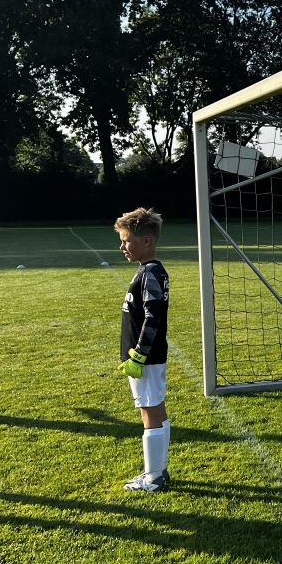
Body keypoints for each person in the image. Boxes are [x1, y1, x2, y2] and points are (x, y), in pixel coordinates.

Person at [114, 207, 171, 492]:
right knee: (155, 410)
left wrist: (138, 353)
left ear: (146, 241)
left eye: (126, 240)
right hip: (148, 357)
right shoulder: (148, 271)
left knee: (149, 412)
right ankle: (158, 472)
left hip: (146, 358)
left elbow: (153, 315)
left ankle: (154, 477)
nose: (122, 246)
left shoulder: (149, 272)